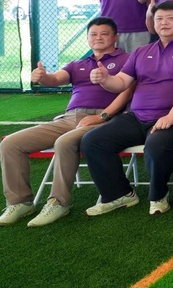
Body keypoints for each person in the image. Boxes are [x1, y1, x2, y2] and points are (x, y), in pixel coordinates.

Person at [81, 0, 173, 217]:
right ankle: (120, 194)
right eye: (159, 18)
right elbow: (120, 82)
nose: (164, 22)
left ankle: (159, 195)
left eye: (170, 18)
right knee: (92, 141)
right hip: (136, 117)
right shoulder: (141, 51)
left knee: (156, 144)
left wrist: (172, 115)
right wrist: (105, 79)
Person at [0, 18, 131, 227]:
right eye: (93, 34)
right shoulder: (77, 64)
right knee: (10, 143)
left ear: (115, 37)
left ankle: (58, 203)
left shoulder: (128, 59)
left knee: (64, 142)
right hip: (69, 118)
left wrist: (102, 116)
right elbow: (55, 79)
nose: (98, 37)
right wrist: (42, 77)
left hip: (106, 120)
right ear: (87, 38)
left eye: (104, 33)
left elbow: (128, 91)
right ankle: (20, 203)